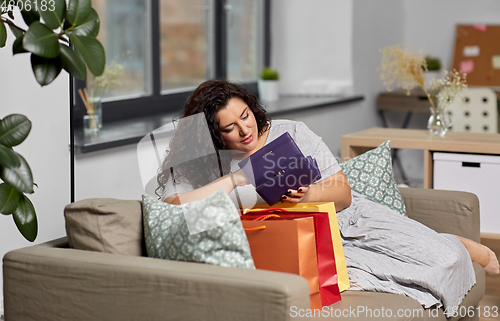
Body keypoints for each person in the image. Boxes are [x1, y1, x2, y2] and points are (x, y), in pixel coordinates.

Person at [157, 79, 499, 314]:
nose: (244, 130)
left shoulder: (290, 132)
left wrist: (307, 193)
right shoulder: (207, 166)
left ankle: (452, 242)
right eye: (229, 127)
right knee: (364, 279)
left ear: (251, 107)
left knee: (446, 260)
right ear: (213, 134)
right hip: (297, 240)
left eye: (244, 116)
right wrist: (235, 179)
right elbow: (175, 206)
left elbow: (343, 193)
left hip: (349, 218)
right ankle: (439, 242)